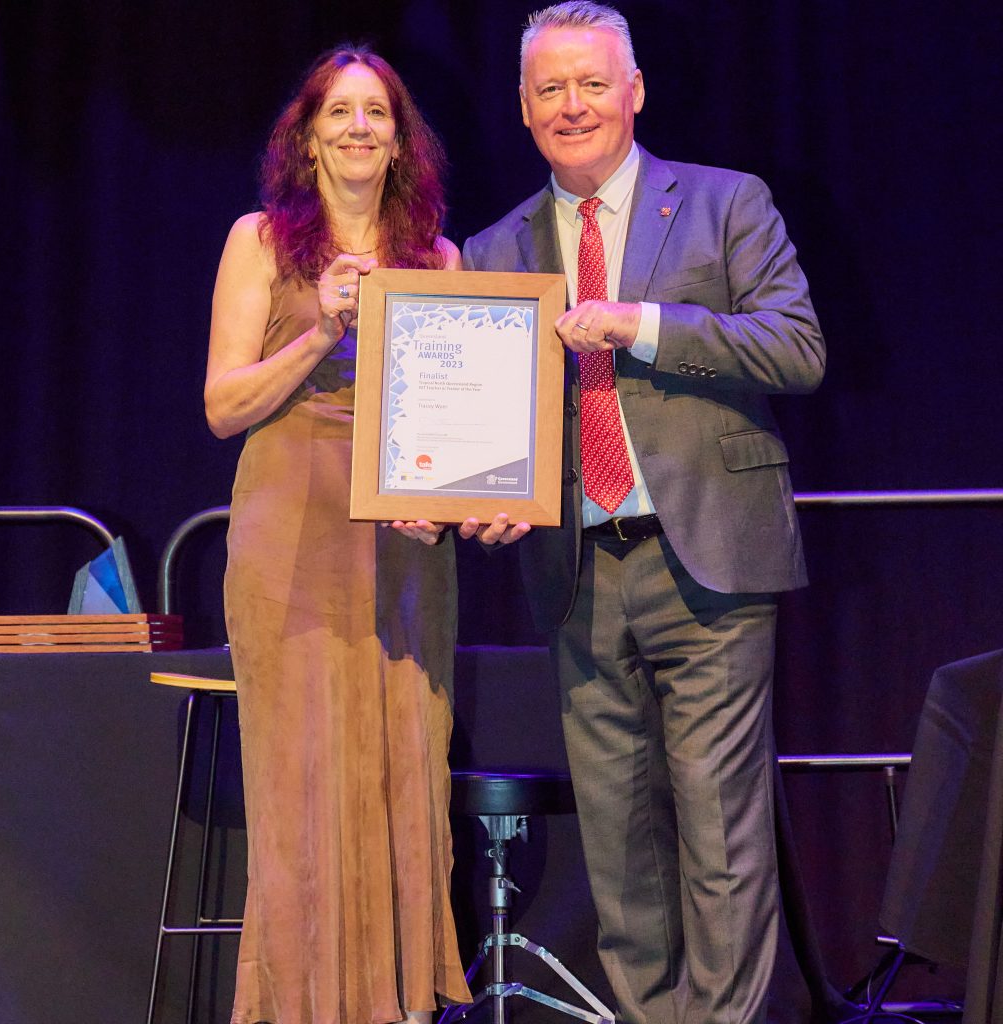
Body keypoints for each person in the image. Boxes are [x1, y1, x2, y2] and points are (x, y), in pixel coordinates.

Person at [459, 3, 825, 1023]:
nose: (571, 105)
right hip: (576, 568)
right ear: (524, 109)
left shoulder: (722, 203)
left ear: (634, 91)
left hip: (706, 553)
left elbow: (796, 348)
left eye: (590, 83)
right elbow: (492, 421)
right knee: (617, 835)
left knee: (718, 824)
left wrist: (643, 324)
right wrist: (478, 496)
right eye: (549, 89)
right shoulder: (494, 250)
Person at [204, 46, 471, 1024]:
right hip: (292, 528)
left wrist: (448, 501)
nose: (359, 128)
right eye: (340, 113)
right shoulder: (262, 243)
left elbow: (461, 420)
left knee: (402, 759)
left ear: (401, 143)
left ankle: (396, 1001)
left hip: (402, 541)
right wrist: (319, 328)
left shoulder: (440, 259)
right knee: (303, 775)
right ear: (307, 136)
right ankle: (306, 1004)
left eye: (377, 114)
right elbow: (223, 406)